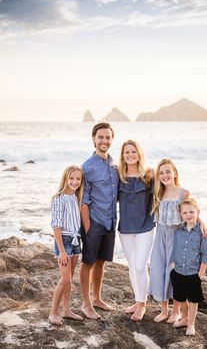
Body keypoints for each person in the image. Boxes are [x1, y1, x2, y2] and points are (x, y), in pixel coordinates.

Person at [149, 158, 207, 324]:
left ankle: (176, 311)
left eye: (168, 171)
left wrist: (201, 223)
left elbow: (192, 210)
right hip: (160, 234)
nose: (165, 175)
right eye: (161, 172)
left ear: (175, 172)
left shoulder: (184, 192)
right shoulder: (158, 193)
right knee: (159, 269)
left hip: (177, 236)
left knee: (174, 272)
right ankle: (163, 309)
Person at [80, 122, 119, 320]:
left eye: (107, 137)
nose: (104, 141)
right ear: (94, 139)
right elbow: (83, 202)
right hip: (94, 222)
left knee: (101, 262)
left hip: (111, 222)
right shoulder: (87, 167)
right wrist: (87, 229)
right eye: (100, 137)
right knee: (88, 262)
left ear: (112, 139)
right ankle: (86, 303)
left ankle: (97, 298)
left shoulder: (115, 166)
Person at [118, 140, 155, 321]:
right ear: (122, 155)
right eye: (127, 152)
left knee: (140, 266)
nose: (130, 155)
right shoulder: (119, 175)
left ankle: (142, 305)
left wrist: (197, 218)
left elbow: (167, 194)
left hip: (145, 226)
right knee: (132, 266)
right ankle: (137, 299)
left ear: (139, 154)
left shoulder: (149, 174)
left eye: (133, 151)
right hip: (125, 228)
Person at [49, 165, 84, 325]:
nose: (75, 182)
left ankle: (67, 310)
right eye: (71, 178)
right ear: (65, 179)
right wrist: (62, 251)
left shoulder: (76, 198)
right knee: (64, 280)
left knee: (69, 279)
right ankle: (53, 313)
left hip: (76, 240)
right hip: (64, 241)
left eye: (78, 179)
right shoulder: (59, 198)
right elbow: (56, 226)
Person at [170, 198, 207, 336]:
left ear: (198, 212)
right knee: (180, 299)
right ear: (181, 214)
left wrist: (201, 273)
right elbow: (175, 250)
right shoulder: (178, 231)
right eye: (185, 212)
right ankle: (185, 318)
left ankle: (191, 324)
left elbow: (205, 255)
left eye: (192, 211)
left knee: (193, 300)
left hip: (193, 273)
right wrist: (174, 266)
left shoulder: (202, 233)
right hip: (178, 271)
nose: (188, 214)